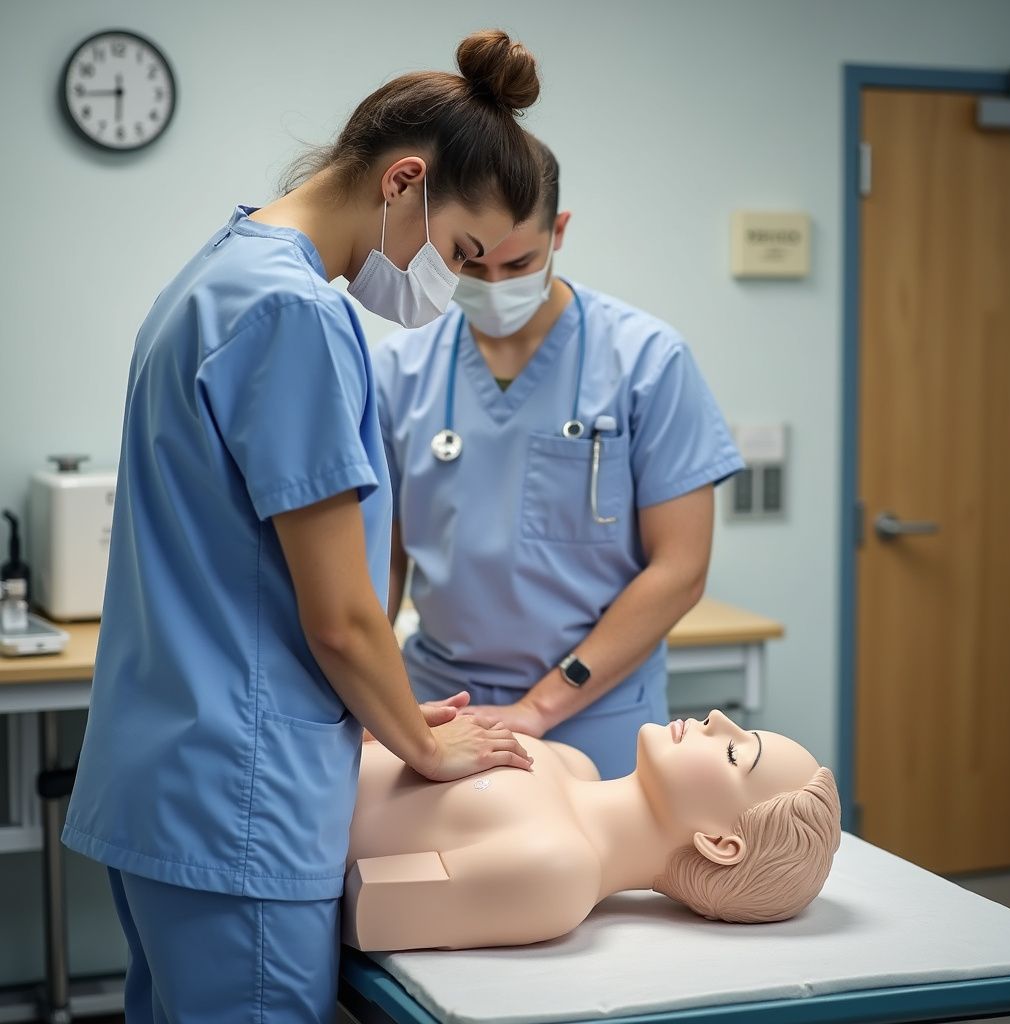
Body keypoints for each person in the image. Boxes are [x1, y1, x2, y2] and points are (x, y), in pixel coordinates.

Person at [62, 30, 545, 1022]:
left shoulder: (216, 274)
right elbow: (340, 616)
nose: (452, 285)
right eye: (458, 253)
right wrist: (419, 742)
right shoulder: (295, 314)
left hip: (163, 785)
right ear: (404, 180)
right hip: (241, 806)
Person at [374, 138, 746, 780]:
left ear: (559, 232)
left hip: (594, 710)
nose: (494, 286)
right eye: (471, 264)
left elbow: (680, 568)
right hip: (437, 708)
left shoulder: (647, 362)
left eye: (518, 264)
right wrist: (379, 701)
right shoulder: (399, 369)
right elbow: (382, 555)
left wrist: (543, 705)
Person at [344, 709, 842, 951]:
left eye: (735, 753)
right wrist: (395, 720)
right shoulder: (570, 762)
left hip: (276, 826)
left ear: (719, 844)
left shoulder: (557, 875)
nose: (718, 719)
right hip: (285, 752)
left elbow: (365, 905)